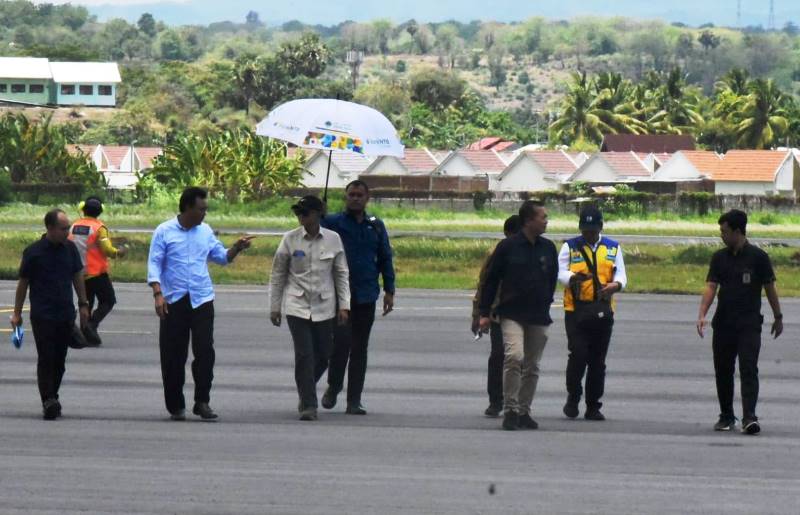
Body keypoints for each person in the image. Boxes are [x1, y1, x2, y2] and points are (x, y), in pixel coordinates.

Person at [147, 187, 254, 422]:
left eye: (205, 209)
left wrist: (237, 247)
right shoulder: (164, 231)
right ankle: (176, 405)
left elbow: (221, 257)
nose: (204, 213)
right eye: (201, 209)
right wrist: (157, 293)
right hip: (174, 300)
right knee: (173, 356)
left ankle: (202, 401)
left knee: (205, 351)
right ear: (187, 208)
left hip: (202, 299)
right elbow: (154, 263)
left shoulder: (205, 231)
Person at [697, 209, 782, 435]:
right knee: (723, 370)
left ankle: (749, 417)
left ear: (737, 231)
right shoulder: (719, 258)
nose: (721, 235)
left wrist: (778, 316)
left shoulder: (759, 257)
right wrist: (702, 314)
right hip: (724, 324)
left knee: (748, 369)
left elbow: (770, 288)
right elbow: (711, 287)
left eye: (724, 231)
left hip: (749, 325)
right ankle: (726, 416)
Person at [269, 195, 350, 421]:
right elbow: (278, 274)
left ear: (317, 214)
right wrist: (275, 307)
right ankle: (308, 404)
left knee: (324, 354)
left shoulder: (333, 239)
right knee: (304, 354)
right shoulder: (290, 239)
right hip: (297, 305)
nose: (300, 217)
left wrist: (344, 305)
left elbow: (341, 273)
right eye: (298, 213)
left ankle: (305, 386)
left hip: (324, 305)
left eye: (304, 213)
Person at [479, 200, 558, 431]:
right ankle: (510, 409)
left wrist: (546, 300)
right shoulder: (507, 247)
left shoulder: (548, 247)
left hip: (538, 315)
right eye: (543, 217)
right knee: (514, 357)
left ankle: (524, 411)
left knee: (532, 366)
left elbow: (552, 278)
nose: (546, 221)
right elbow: (491, 279)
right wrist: (484, 312)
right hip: (512, 313)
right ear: (529, 220)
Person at [320, 180, 395, 415]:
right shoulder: (332, 222)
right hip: (340, 295)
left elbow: (385, 257)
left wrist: (389, 289)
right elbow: (312, 234)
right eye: (351, 194)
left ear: (367, 198)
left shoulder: (376, 226)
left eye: (359, 195)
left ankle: (354, 400)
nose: (355, 198)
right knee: (341, 344)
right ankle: (334, 386)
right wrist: (319, 215)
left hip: (366, 294)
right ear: (345, 197)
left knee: (360, 348)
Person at [10, 209, 90, 420]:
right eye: (63, 229)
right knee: (46, 358)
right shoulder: (33, 252)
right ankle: (48, 400)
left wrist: (83, 304)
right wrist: (17, 314)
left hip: (65, 314)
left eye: (68, 228)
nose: (67, 232)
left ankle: (53, 395)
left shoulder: (70, 249)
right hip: (43, 315)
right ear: (50, 228)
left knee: (60, 361)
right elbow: (23, 284)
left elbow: (77, 276)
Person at [558, 206, 627, 422]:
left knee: (598, 361)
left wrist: (616, 285)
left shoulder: (613, 247)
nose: (589, 234)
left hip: (602, 311)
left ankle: (593, 405)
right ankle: (573, 397)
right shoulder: (570, 246)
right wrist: (572, 278)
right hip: (576, 311)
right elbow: (560, 272)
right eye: (585, 230)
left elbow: (622, 275)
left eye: (593, 230)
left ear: (600, 227)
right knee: (578, 355)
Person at [471, 214, 522, 418]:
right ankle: (496, 400)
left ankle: (516, 402)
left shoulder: (532, 251)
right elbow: (484, 284)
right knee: (499, 355)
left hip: (524, 314)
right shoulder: (497, 253)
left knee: (520, 359)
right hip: (499, 313)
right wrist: (478, 313)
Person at [69, 196, 127, 346]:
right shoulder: (99, 228)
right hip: (96, 272)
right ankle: (91, 325)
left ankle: (86, 335)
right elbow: (107, 249)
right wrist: (118, 252)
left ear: (83, 208)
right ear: (100, 211)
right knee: (108, 300)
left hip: (79, 273)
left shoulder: (74, 226)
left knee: (87, 303)